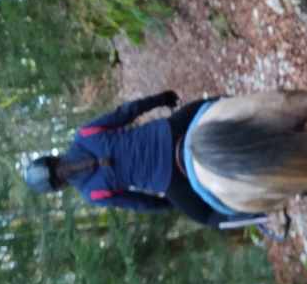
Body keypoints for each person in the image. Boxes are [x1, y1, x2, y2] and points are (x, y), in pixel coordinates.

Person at [22, 90, 266, 229]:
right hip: (172, 131)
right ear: (53, 157)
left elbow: (140, 203)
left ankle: (262, 213)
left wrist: (171, 201)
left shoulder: (92, 193)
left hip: (171, 179)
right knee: (214, 103)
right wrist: (162, 99)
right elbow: (127, 112)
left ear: (59, 187)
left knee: (209, 218)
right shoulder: (84, 134)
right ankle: (257, 104)